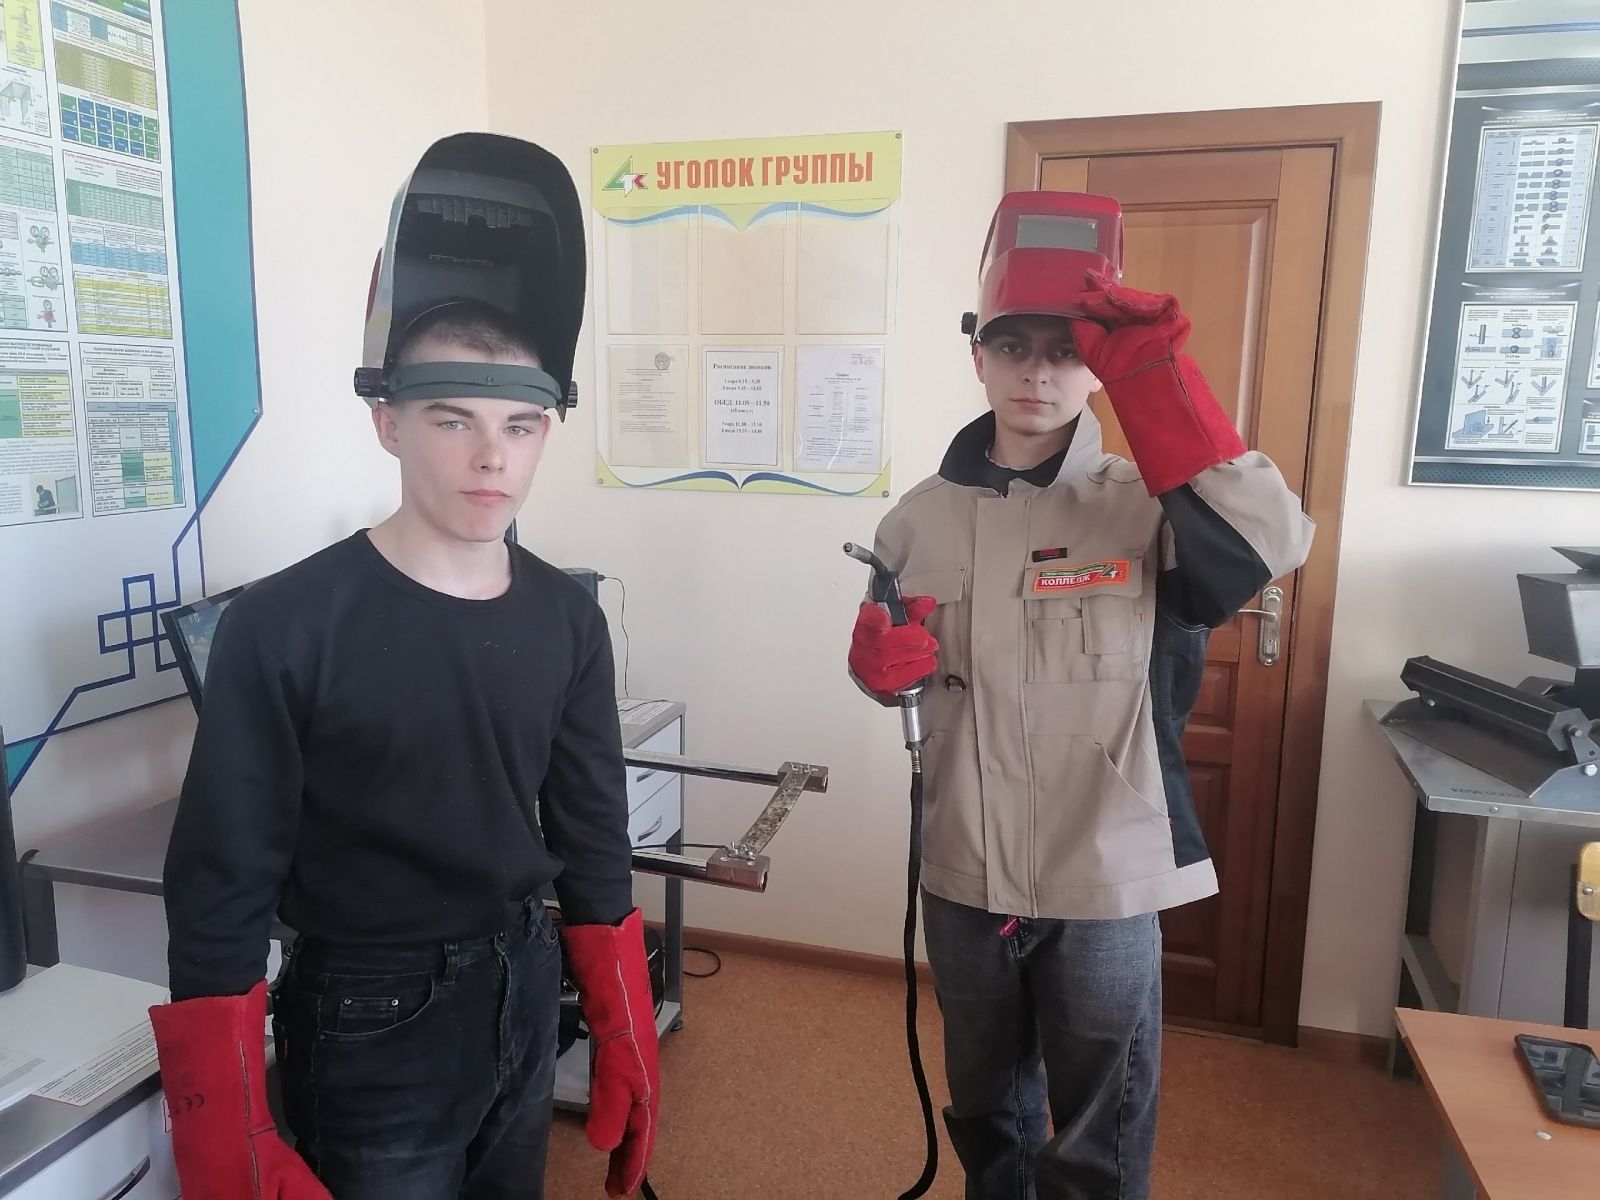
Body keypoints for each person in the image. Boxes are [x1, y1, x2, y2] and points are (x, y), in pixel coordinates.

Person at [148, 133, 659, 1200]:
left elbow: (590, 830)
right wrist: (224, 1116)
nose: (492, 455)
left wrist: (620, 1021)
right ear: (387, 422)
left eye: (521, 424)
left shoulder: (567, 618)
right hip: (369, 1011)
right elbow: (221, 879)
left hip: (524, 980)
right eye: (452, 419)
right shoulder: (285, 625)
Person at [847, 191, 1314, 1200]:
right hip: (964, 865)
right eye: (1014, 347)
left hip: (1104, 869)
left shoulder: (1153, 506)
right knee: (984, 1106)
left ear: (1097, 365)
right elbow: (903, 670)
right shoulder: (916, 521)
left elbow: (1275, 541)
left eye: (1067, 352)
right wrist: (877, 671)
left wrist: (1162, 381)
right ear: (977, 355)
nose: (1039, 373)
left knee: (1103, 1117)